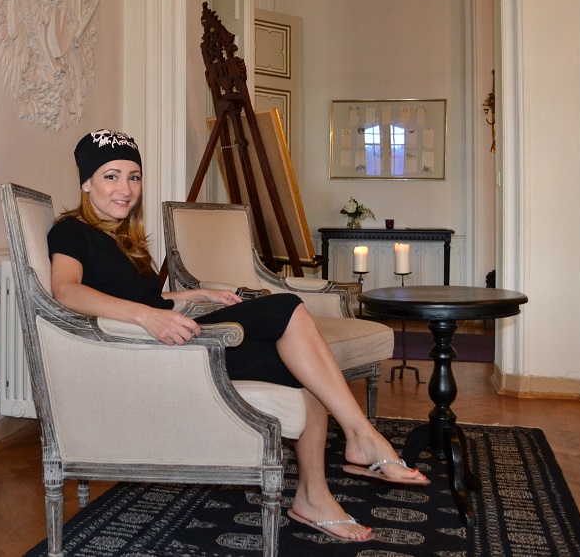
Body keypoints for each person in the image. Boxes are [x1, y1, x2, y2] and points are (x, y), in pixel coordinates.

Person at [48, 129, 427, 543]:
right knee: (284, 308)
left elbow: (147, 300)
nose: (125, 189)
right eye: (111, 176)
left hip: (168, 346)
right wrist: (147, 317)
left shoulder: (124, 239)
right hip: (153, 358)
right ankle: (361, 435)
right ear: (87, 182)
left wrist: (193, 295)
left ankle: (313, 496)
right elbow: (66, 291)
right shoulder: (71, 231)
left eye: (133, 177)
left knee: (303, 363)